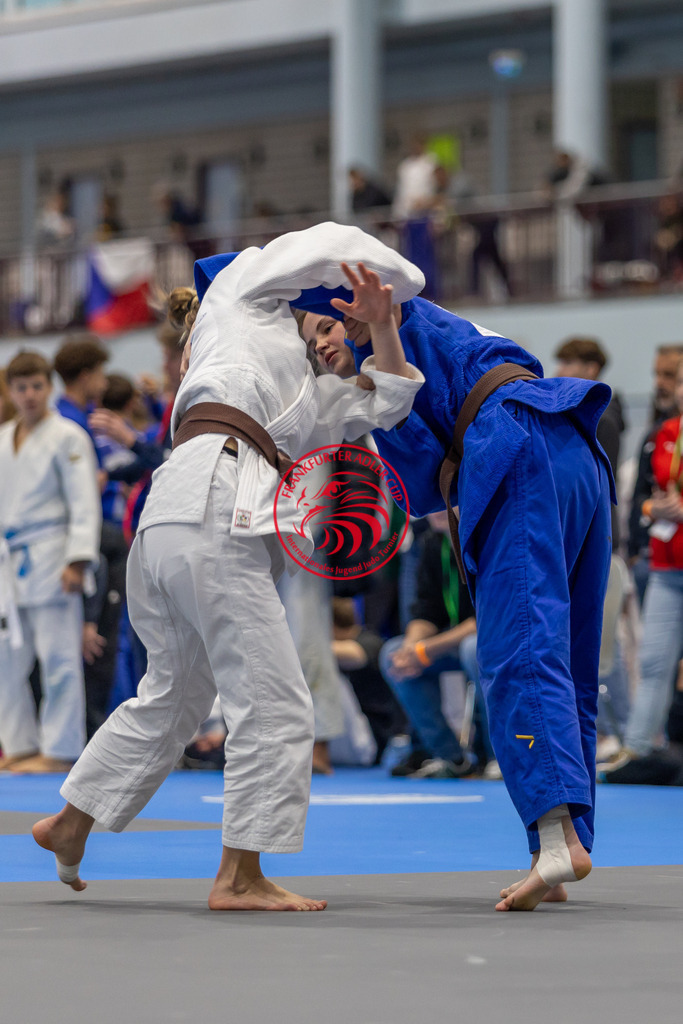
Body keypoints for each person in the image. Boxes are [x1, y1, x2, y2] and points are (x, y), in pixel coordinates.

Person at [31, 223, 425, 912]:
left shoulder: (312, 391)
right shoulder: (242, 299)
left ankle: (71, 820)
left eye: (343, 327)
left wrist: (382, 322)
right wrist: (393, 283)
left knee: (174, 694)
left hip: (179, 517)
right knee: (272, 699)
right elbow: (323, 239)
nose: (337, 331)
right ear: (308, 298)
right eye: (331, 313)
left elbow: (390, 399)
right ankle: (239, 876)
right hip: (211, 502)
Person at [291, 222, 614, 911]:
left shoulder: (389, 324)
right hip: (571, 447)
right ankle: (556, 842)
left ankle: (559, 843)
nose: (321, 342)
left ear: (355, 300)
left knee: (518, 650)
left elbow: (406, 422)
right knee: (563, 654)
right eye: (310, 338)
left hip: (513, 446)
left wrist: (370, 328)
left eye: (324, 323)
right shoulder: (416, 332)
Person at [0, 352, 100, 773]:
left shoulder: (68, 435)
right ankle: (19, 745)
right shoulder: (3, 437)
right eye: (20, 387)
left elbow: (84, 500)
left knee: (58, 657)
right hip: (10, 560)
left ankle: (59, 750)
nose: (29, 395)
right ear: (9, 390)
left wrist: (78, 559)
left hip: (53, 553)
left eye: (36, 386)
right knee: (6, 660)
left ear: (49, 387)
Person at [603, 355, 683, 768]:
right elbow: (645, 500)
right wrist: (655, 509)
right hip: (668, 567)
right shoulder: (666, 434)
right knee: (652, 661)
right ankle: (637, 750)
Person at [378, 511, 487, 779]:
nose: (438, 509)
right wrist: (412, 647)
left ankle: (495, 755)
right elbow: (425, 613)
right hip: (452, 642)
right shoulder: (431, 544)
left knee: (473, 649)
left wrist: (425, 650)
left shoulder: (487, 542)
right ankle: (451, 757)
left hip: (487, 640)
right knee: (392, 653)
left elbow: (483, 620)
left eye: (448, 501)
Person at [627, 344, 683, 604]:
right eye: (656, 374)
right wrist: (652, 509)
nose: (660, 383)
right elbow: (640, 495)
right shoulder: (657, 433)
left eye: (669, 375)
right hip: (659, 559)